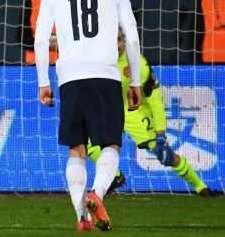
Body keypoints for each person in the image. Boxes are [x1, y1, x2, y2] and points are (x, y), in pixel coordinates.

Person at [34, 0, 142, 232]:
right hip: (105, 75)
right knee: (111, 143)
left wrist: (44, 82)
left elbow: (41, 40)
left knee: (76, 150)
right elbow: (131, 38)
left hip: (69, 77)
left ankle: (82, 217)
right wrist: (135, 81)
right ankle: (97, 193)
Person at [87, 31, 220, 197]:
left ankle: (201, 187)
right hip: (109, 111)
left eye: (119, 40)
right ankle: (116, 177)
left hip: (135, 111)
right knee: (89, 146)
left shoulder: (138, 64)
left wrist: (161, 134)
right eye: (111, 40)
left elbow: (155, 102)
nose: (115, 45)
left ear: (124, 41)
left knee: (163, 153)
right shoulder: (97, 59)